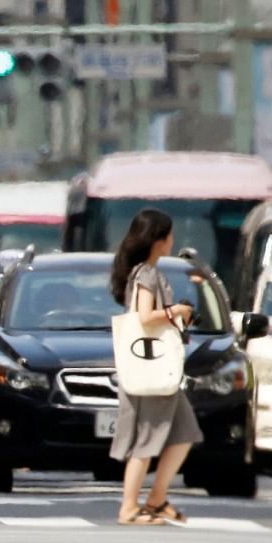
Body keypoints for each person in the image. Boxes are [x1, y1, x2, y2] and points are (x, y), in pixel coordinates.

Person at [108, 209, 200, 526]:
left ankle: (157, 497)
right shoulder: (146, 274)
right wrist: (178, 311)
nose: (173, 241)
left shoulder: (142, 272)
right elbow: (146, 317)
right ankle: (129, 507)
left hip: (159, 372)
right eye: (170, 235)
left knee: (184, 431)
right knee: (146, 439)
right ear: (158, 240)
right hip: (152, 369)